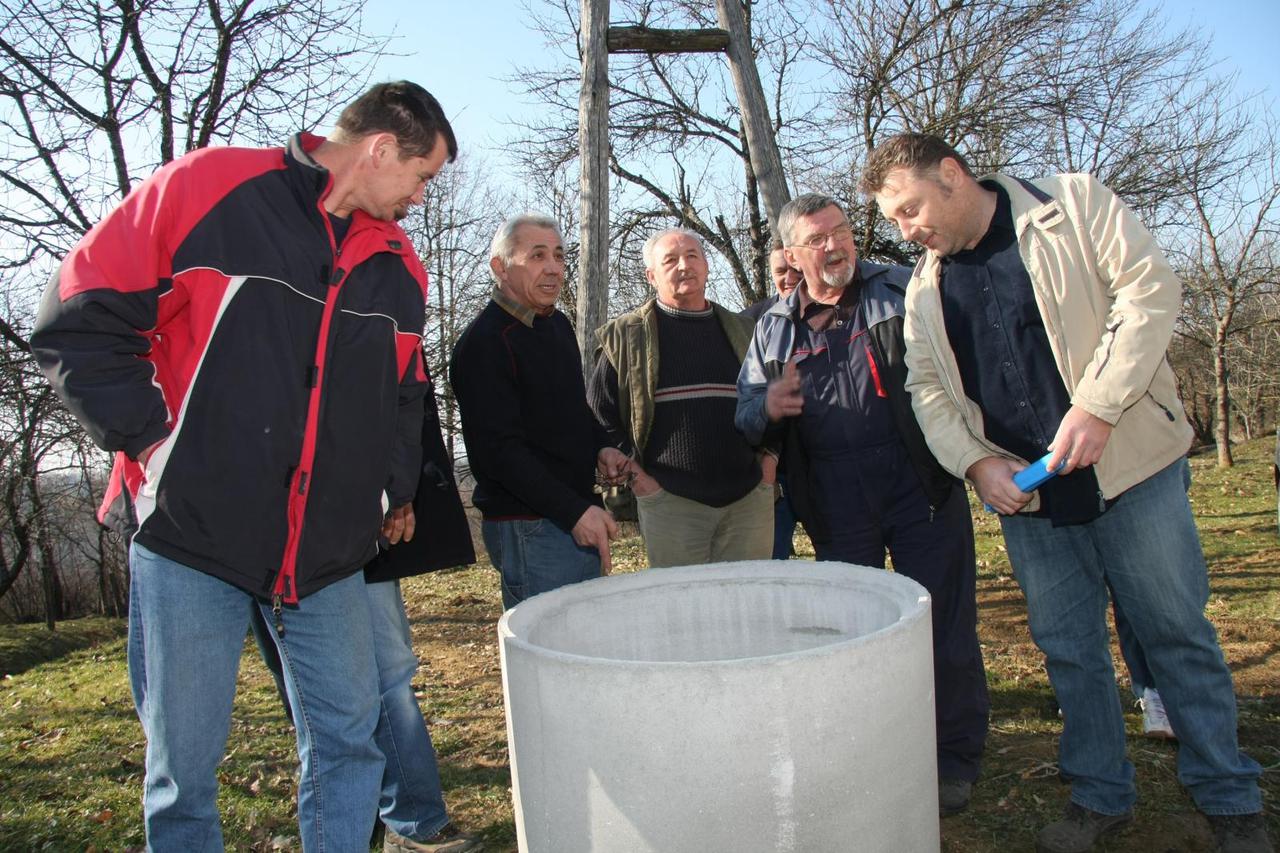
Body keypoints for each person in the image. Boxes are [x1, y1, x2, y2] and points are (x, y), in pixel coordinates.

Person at [30, 81, 458, 851]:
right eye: (423, 176)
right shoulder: (209, 188)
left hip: (328, 553)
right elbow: (76, 310)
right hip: (195, 534)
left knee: (350, 746)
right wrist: (156, 446)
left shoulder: (402, 268)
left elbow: (405, 392)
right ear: (381, 148)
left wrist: (389, 485)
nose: (422, 197)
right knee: (183, 772)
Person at [863, 132, 1271, 853]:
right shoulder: (925, 287)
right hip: (1031, 499)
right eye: (895, 219)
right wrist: (975, 464)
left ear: (952, 174)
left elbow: (1149, 291)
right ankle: (1099, 794)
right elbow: (926, 389)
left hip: (1131, 468)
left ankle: (1230, 797)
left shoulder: (1072, 205)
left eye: (910, 208)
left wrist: (1099, 406)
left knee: (1175, 634)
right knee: (1068, 648)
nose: (906, 229)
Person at [735, 193, 990, 815]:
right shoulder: (773, 324)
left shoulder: (900, 288)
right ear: (792, 256)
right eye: (818, 239)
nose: (835, 245)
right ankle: (873, 748)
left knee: (941, 621)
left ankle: (953, 758)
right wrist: (765, 409)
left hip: (917, 483)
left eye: (842, 232)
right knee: (853, 634)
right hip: (833, 498)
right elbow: (742, 414)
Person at [449, 214, 628, 609]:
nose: (553, 268)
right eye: (536, 256)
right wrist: (574, 512)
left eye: (560, 256)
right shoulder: (484, 343)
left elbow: (571, 408)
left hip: (574, 515)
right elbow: (499, 453)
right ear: (500, 267)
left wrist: (601, 446)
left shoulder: (558, 326)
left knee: (583, 648)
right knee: (548, 658)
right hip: (530, 527)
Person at [589, 227, 774, 567]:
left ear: (706, 265)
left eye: (692, 256)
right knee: (683, 613)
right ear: (651, 275)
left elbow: (776, 405)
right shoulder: (625, 337)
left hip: (749, 502)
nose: (683, 266)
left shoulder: (747, 331)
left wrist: (768, 472)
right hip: (670, 505)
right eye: (670, 260)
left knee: (747, 608)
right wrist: (642, 483)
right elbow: (600, 419)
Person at [742, 237, 802, 559]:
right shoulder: (750, 322)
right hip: (772, 474)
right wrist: (768, 454)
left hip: (821, 463)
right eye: (781, 270)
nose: (789, 277)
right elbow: (742, 399)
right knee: (771, 559)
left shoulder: (835, 314)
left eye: (795, 268)